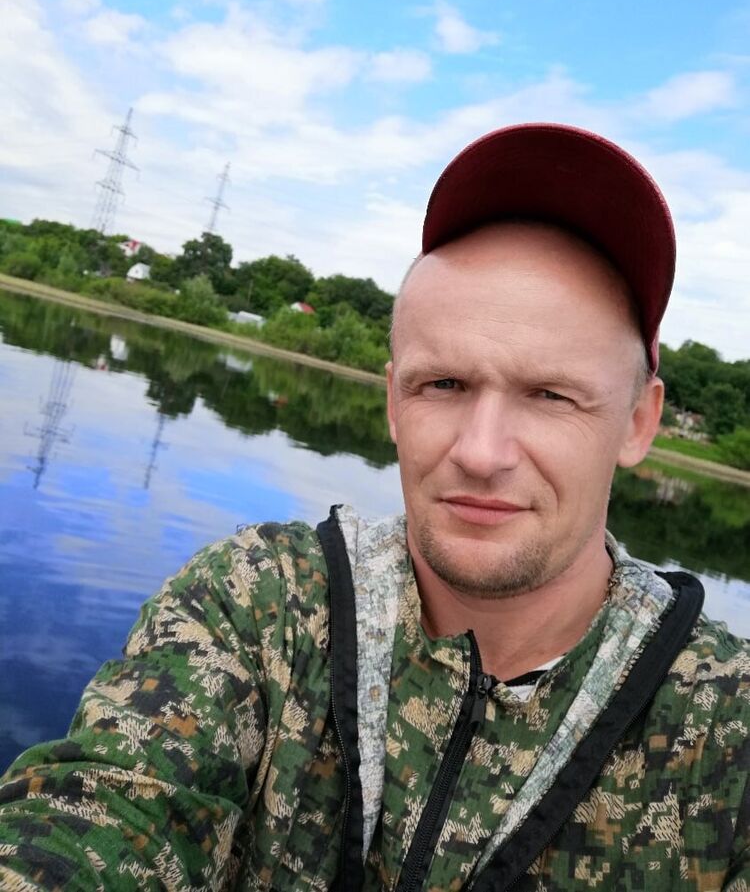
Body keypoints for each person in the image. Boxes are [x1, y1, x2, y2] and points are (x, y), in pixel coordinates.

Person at [0, 123, 747, 892]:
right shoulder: (262, 608)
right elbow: (100, 814)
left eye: (551, 395)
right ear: (393, 400)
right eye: (443, 384)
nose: (481, 451)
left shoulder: (726, 729)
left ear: (638, 422)